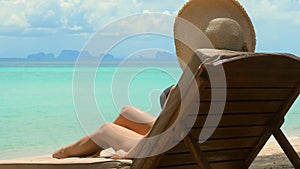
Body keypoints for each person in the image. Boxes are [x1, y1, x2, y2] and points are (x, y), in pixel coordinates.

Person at [53, 0, 256, 159]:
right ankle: (91, 149)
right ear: (244, 45)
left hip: (179, 151)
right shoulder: (255, 84)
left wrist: (128, 154)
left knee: (107, 130)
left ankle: (63, 153)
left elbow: (165, 134)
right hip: (213, 145)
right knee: (126, 113)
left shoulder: (195, 84)